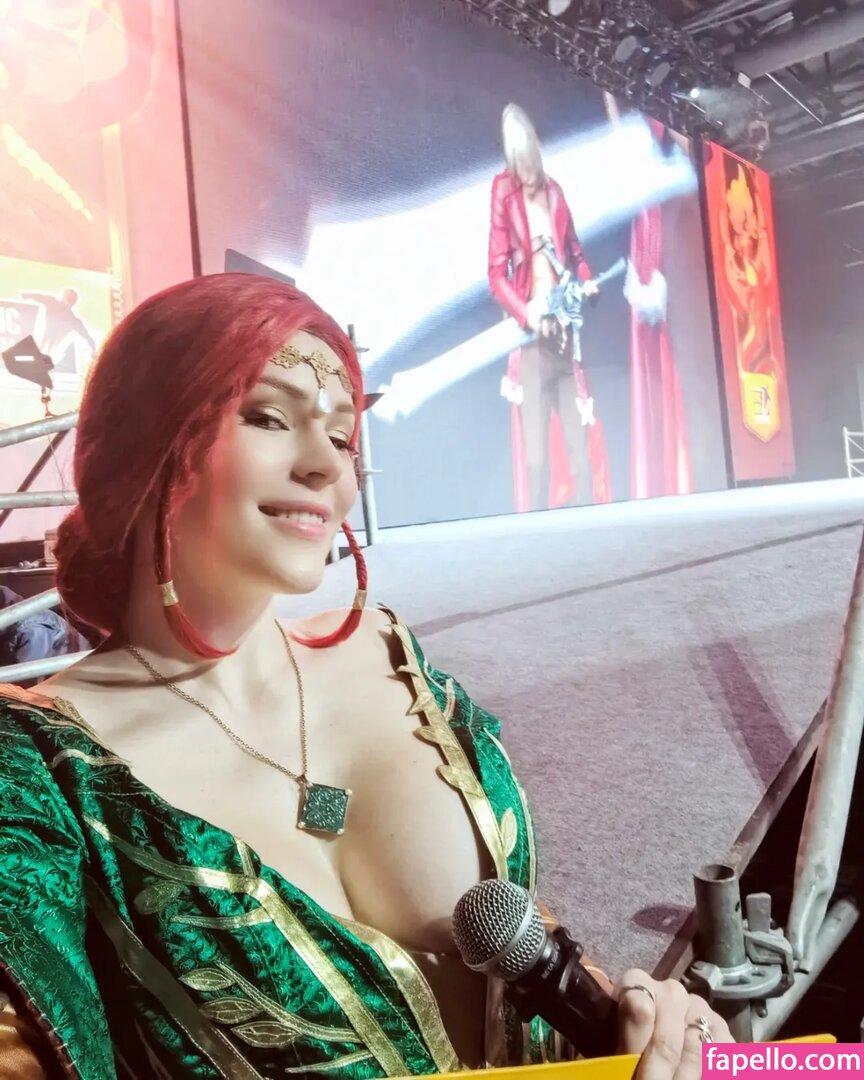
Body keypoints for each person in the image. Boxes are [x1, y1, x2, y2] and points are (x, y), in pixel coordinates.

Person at [0, 274, 730, 1077]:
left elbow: (519, 940)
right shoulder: (40, 770)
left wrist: (643, 1030)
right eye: (268, 417)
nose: (328, 466)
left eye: (343, 435)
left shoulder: (392, 658)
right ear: (146, 447)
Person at [488, 104, 611, 513]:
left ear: (536, 151)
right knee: (536, 462)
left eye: (528, 161)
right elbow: (496, 275)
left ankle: (594, 533)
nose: (524, 172)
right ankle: (534, 543)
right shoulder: (503, 192)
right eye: (516, 163)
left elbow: (575, 252)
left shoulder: (555, 192)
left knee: (581, 458)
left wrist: (588, 280)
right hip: (531, 345)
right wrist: (528, 316)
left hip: (565, 339)